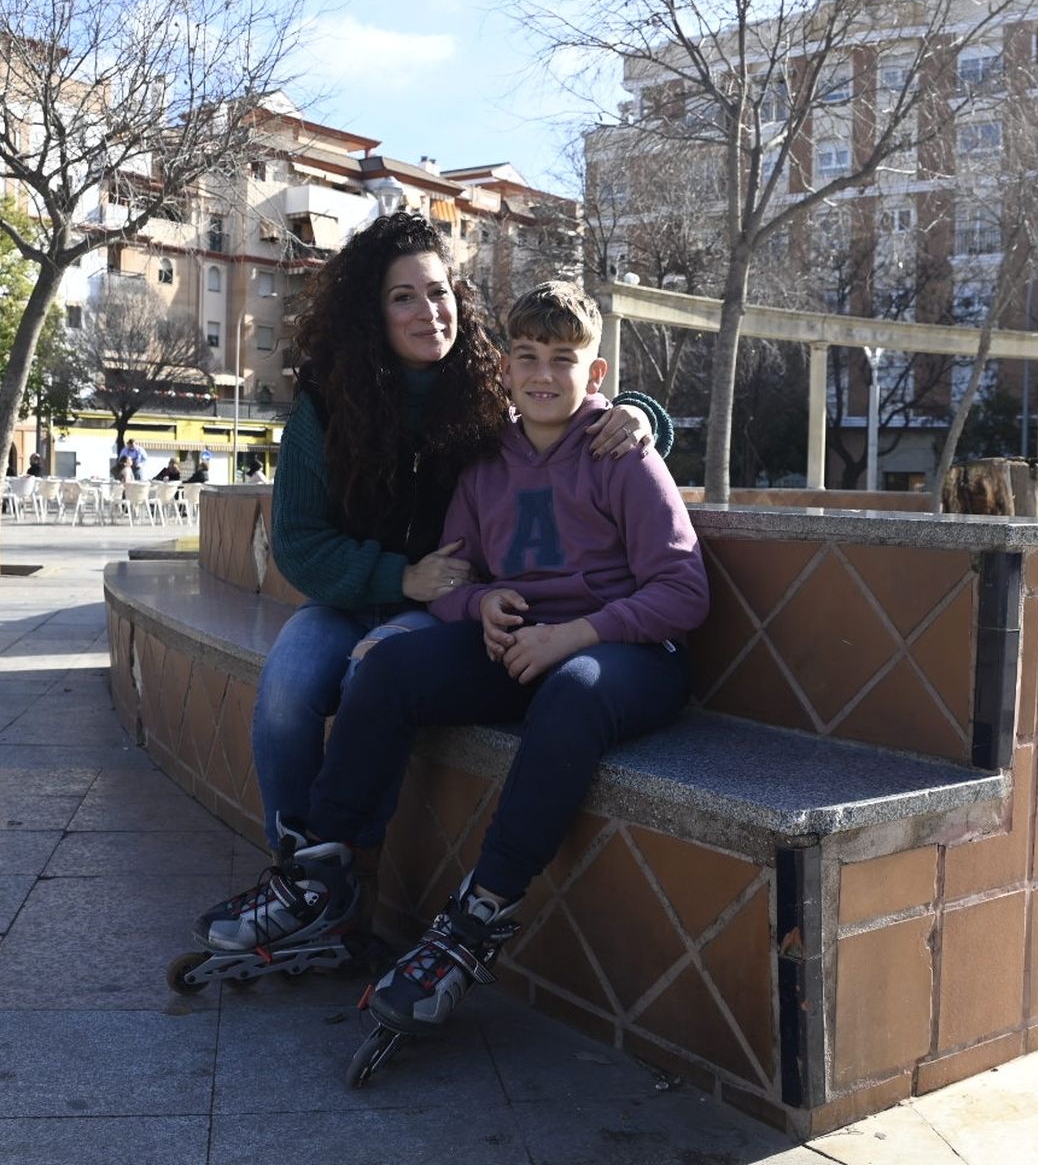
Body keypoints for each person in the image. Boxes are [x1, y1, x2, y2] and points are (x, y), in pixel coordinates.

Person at [196, 280, 708, 1039]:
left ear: (595, 372)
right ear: (504, 368)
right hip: (519, 645)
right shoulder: (485, 462)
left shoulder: (620, 454)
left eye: (563, 359)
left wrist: (578, 633)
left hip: (624, 653)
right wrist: (482, 606)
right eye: (527, 356)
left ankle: (478, 916)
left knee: (571, 692)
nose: (543, 374)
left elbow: (683, 593)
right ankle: (323, 874)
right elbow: (452, 582)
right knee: (390, 667)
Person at [244, 212, 670, 867]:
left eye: (438, 292)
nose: (427, 312)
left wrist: (639, 412)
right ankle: (295, 872)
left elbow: (562, 398)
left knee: (370, 677)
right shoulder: (326, 404)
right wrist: (399, 575)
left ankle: (353, 873)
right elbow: (297, 542)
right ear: (372, 312)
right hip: (349, 600)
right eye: (403, 297)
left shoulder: (482, 387)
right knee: (284, 693)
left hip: (439, 612)